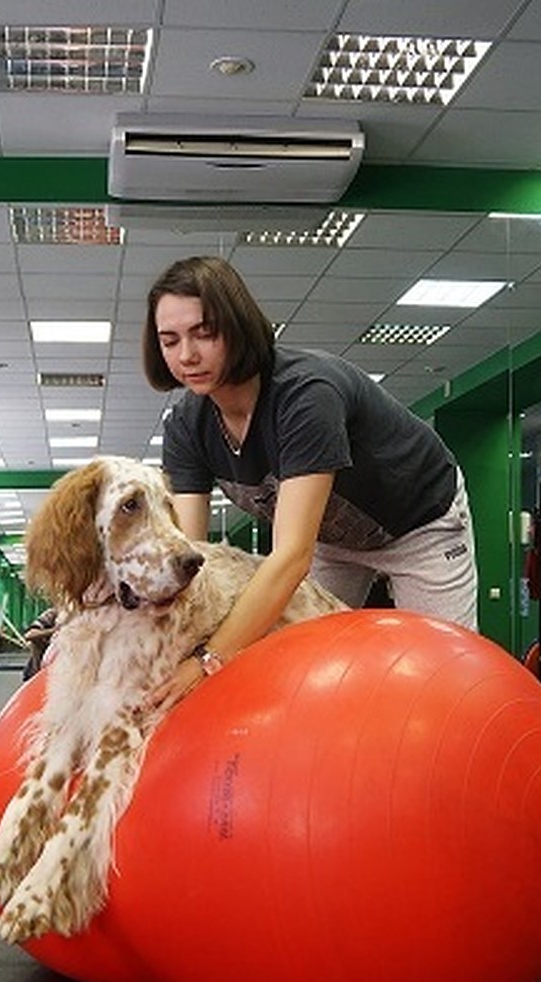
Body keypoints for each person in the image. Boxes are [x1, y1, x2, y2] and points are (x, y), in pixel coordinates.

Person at [143, 255, 478, 710]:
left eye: (205, 333)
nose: (187, 355)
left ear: (238, 327)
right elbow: (187, 556)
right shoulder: (186, 424)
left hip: (419, 524)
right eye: (170, 340)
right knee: (304, 665)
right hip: (331, 540)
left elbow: (290, 557)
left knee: (445, 678)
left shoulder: (305, 396)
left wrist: (207, 659)